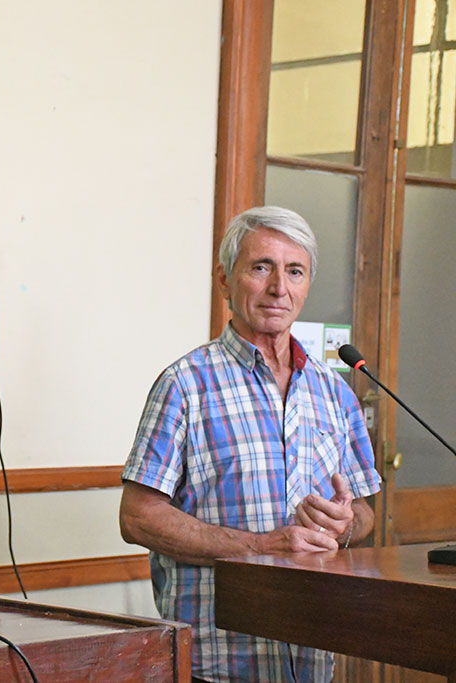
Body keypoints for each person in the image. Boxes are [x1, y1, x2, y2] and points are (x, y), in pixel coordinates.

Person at [120, 206, 381, 682]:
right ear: (225, 280)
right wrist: (261, 547)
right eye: (261, 267)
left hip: (312, 654)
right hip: (216, 662)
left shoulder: (334, 391)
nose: (279, 287)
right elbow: (138, 517)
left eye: (295, 271)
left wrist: (345, 525)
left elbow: (364, 513)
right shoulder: (184, 384)